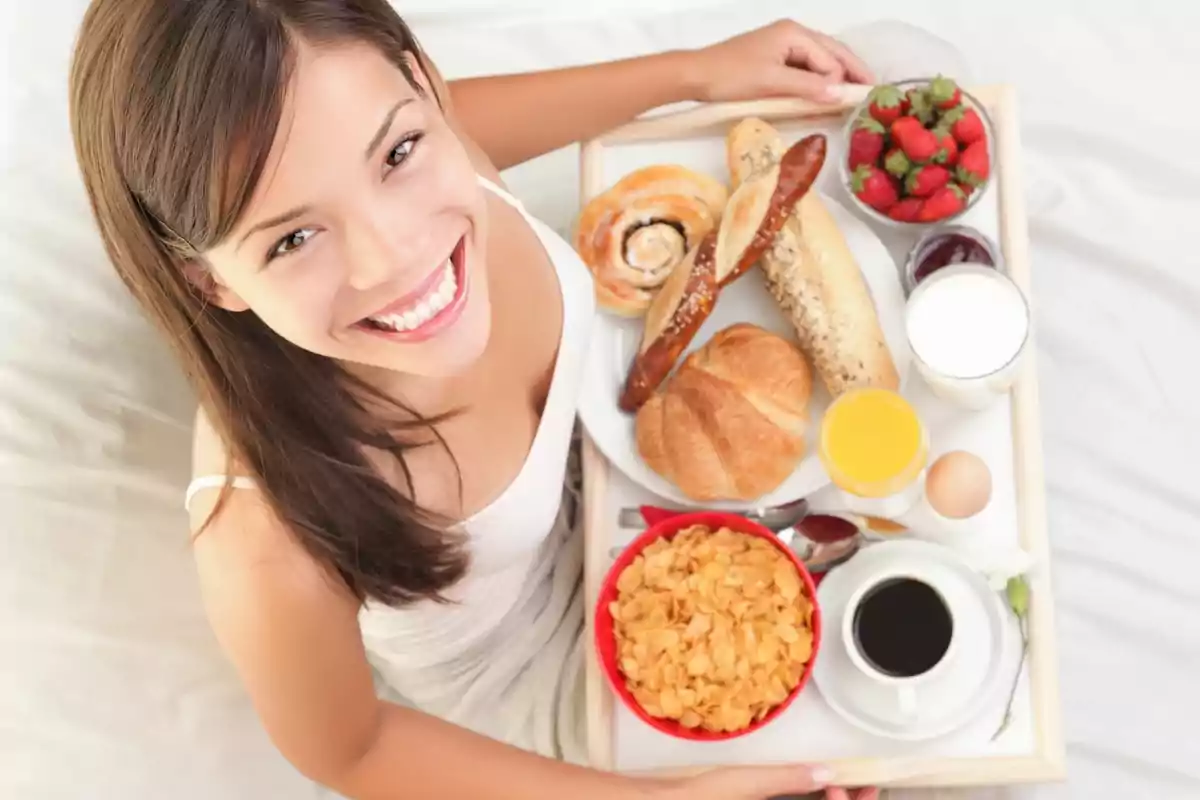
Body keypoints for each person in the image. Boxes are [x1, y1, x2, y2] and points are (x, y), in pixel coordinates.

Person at [68, 1, 910, 797]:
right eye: (293, 237)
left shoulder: (445, 147)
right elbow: (353, 748)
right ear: (209, 282)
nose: (396, 257)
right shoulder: (269, 544)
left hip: (630, 479)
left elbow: (465, 122)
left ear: (422, 83)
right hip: (532, 685)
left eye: (395, 153)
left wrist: (693, 73)